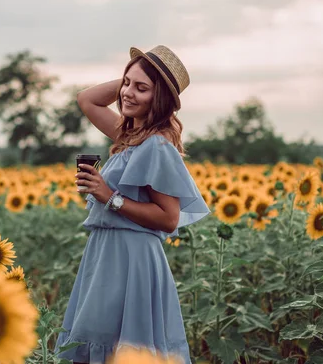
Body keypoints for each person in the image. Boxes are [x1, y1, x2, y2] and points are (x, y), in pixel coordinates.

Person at [54, 45, 211, 364]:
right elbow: (87, 99)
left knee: (127, 349)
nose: (127, 93)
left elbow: (169, 218)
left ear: (160, 99)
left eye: (142, 89)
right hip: (105, 255)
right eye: (126, 84)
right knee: (102, 343)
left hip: (133, 259)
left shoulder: (156, 145)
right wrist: (137, 74)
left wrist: (109, 197)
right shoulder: (129, 135)